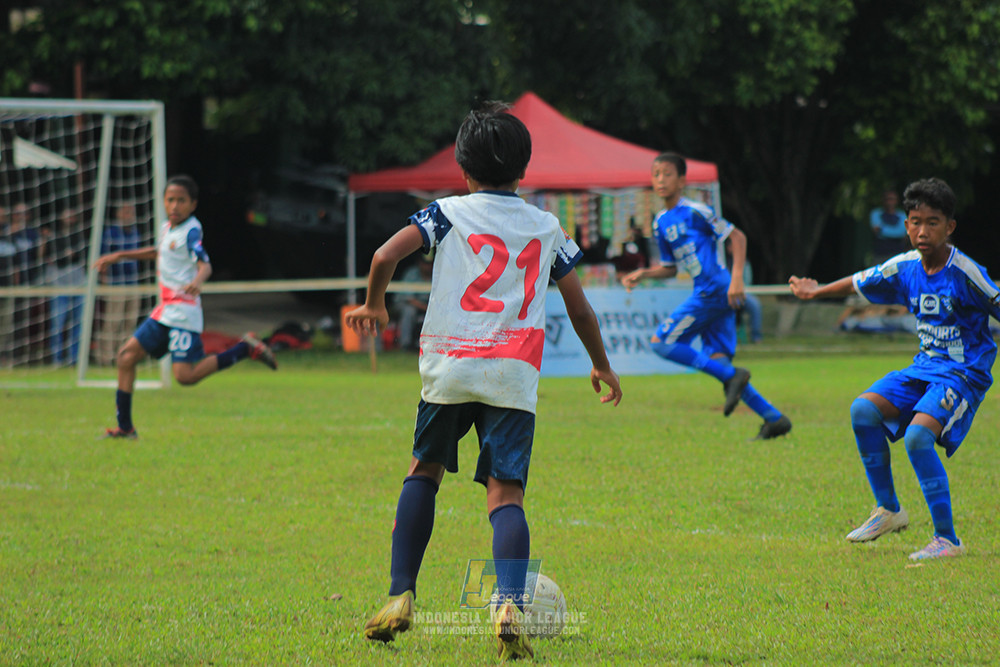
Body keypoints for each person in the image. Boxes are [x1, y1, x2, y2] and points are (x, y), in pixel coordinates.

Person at [346, 102, 622, 661]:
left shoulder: (445, 212)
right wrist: (600, 363)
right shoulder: (546, 226)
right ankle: (507, 603)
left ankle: (401, 595)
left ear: (462, 167)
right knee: (506, 495)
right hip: (512, 376)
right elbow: (580, 307)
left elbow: (383, 255)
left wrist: (374, 304)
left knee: (423, 471)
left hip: (450, 368)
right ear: (524, 169)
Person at [789, 177, 1000, 561]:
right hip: (924, 367)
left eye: (933, 222)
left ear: (949, 227)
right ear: (905, 225)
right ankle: (888, 510)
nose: (922, 230)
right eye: (915, 221)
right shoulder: (903, 267)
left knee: (919, 438)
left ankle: (947, 539)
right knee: (863, 410)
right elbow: (858, 281)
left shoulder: (965, 272)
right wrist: (814, 291)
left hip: (963, 373)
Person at [621, 152, 791, 440]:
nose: (661, 180)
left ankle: (732, 378)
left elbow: (737, 237)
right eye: (656, 174)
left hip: (716, 289)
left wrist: (737, 279)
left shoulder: (696, 210)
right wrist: (644, 274)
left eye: (667, 174)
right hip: (710, 291)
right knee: (720, 361)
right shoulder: (660, 222)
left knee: (661, 342)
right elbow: (670, 269)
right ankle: (774, 419)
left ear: (682, 180)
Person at [94, 175, 278, 439]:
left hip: (183, 313)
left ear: (193, 204)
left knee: (185, 377)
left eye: (181, 200)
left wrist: (197, 280)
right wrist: (120, 255)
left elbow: (205, 264)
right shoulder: (167, 228)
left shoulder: (192, 230)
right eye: (170, 200)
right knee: (125, 357)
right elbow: (160, 252)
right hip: (165, 310)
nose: (174, 206)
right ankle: (125, 428)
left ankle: (244, 348)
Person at [95, 202, 142, 365]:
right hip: (116, 284)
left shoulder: (136, 232)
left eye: (131, 211)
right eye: (126, 211)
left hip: (133, 284)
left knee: (130, 322)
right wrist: (105, 280)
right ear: (119, 214)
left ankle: (124, 355)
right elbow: (102, 258)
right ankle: (105, 357)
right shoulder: (111, 233)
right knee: (112, 322)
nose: (129, 214)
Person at [42, 207, 88, 364]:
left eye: (72, 214)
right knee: (58, 323)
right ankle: (57, 359)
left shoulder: (80, 236)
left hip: (78, 284)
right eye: (66, 213)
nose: (69, 217)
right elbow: (50, 258)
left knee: (78, 323)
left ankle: (74, 358)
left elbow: (80, 256)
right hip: (59, 284)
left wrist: (67, 256)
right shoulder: (53, 236)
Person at [393, 253, 433, 350]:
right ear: (419, 263)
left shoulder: (437, 274)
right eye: (425, 263)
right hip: (405, 304)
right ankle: (405, 344)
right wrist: (428, 308)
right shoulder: (411, 274)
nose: (427, 267)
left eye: (429, 264)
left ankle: (435, 346)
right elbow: (409, 299)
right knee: (409, 311)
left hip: (427, 305)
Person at [870, 189, 908, 264]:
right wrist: (897, 233)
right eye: (888, 199)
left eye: (892, 199)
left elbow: (902, 233)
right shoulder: (876, 213)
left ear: (896, 201)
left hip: (897, 254)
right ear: (883, 200)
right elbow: (876, 231)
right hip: (880, 254)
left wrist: (883, 231)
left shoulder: (902, 215)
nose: (890, 202)